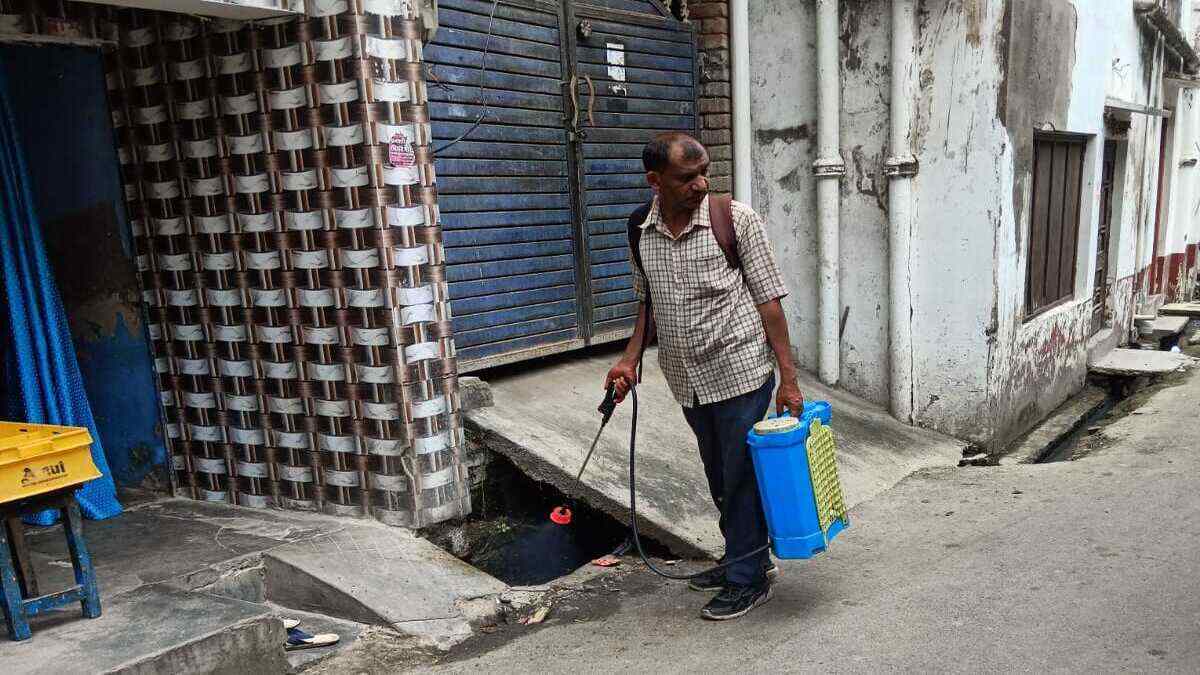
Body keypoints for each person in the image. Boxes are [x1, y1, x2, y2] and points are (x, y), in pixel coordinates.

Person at [605, 132, 804, 621]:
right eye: (686, 177)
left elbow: (769, 301)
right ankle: (743, 555)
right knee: (719, 474)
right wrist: (630, 358)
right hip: (687, 377)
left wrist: (789, 379)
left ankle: (748, 578)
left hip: (740, 368)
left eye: (704, 173)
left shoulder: (734, 219)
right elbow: (647, 303)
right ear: (655, 181)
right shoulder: (639, 228)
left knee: (739, 477)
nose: (700, 185)